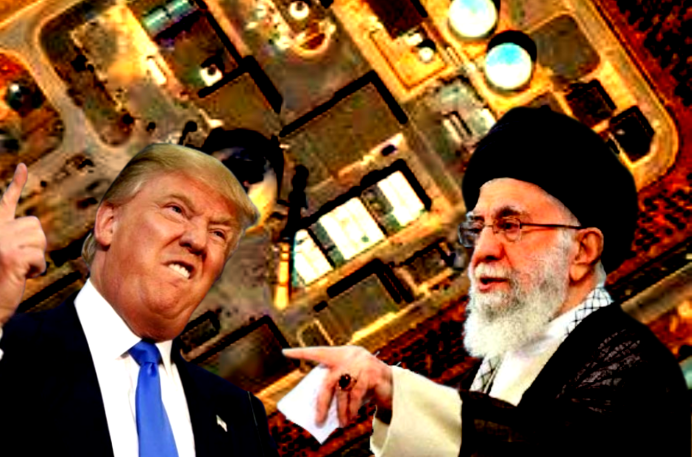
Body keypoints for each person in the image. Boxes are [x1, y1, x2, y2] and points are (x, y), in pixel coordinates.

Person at [283, 107, 691, 456]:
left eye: (510, 226)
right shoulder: (503, 359)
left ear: (581, 251)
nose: (483, 251)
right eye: (477, 228)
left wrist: (395, 392)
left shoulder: (637, 373)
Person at [0, 143, 280, 456]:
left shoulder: (243, 420)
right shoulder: (10, 352)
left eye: (218, 234)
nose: (198, 240)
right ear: (109, 224)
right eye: (176, 210)